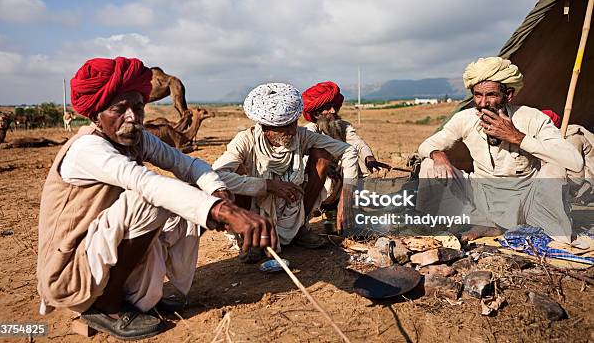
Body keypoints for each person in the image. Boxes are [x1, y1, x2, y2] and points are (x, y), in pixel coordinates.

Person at [36, 57, 276, 340]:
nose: (132, 118)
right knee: (150, 199)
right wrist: (222, 211)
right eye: (118, 109)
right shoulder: (87, 149)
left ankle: (142, 296)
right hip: (69, 271)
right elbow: (144, 182)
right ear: (95, 115)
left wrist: (216, 191)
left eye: (138, 108)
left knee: (191, 193)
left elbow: (185, 164)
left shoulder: (136, 138)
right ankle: (106, 305)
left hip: (101, 248)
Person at [416, 57, 583, 243]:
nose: (483, 103)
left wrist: (517, 137)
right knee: (430, 165)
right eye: (478, 95)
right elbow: (425, 145)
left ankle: (541, 230)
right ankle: (481, 224)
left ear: (509, 95)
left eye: (491, 95)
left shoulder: (532, 118)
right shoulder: (466, 118)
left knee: (555, 169)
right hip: (481, 197)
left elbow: (574, 161)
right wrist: (438, 155)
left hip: (526, 201)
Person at [212, 83, 359, 260]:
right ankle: (251, 239)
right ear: (266, 128)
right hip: (256, 208)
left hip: (293, 205)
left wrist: (347, 197)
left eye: (293, 123)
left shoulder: (301, 135)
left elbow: (349, 150)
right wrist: (267, 185)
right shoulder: (246, 140)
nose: (291, 131)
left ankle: (300, 228)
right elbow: (215, 175)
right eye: (283, 126)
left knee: (322, 156)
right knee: (234, 173)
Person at [301, 81, 390, 213]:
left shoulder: (342, 126)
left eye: (334, 106)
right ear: (316, 114)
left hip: (340, 171)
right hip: (318, 175)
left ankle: (349, 204)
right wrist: (325, 168)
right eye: (328, 107)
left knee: (356, 159)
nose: (333, 110)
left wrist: (369, 158)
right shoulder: (310, 130)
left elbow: (358, 144)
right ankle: (317, 206)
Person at [542, 109, 593, 205]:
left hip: (585, 186)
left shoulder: (572, 140)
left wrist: (567, 192)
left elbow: (577, 175)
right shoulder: (552, 139)